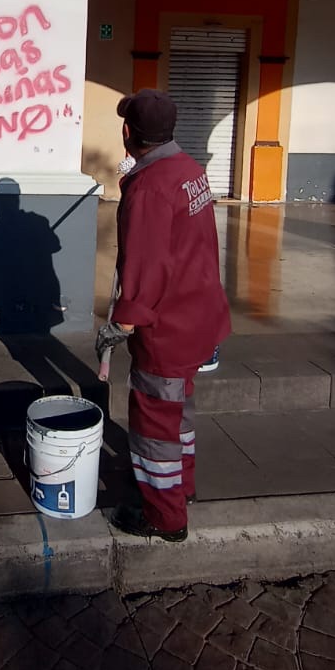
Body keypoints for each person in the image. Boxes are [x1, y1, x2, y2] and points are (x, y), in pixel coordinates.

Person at [97, 88, 230, 543]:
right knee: (178, 413)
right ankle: (181, 487)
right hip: (199, 315)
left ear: (128, 132)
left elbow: (145, 264)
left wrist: (122, 323)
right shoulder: (188, 170)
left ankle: (164, 515)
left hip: (166, 327)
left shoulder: (151, 188)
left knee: (154, 420)